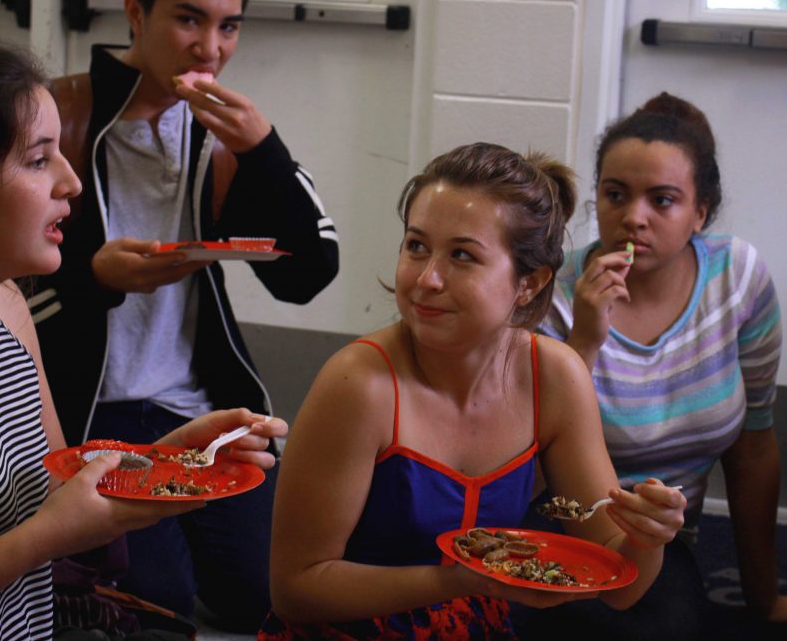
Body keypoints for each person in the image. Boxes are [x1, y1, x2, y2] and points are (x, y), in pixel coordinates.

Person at [0, 36, 286, 640]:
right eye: (38, 159)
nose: (70, 182)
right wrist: (43, 540)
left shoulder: (7, 303)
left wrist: (169, 460)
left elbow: (52, 490)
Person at [28, 0, 338, 628]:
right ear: (136, 14)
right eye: (188, 19)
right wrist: (94, 277)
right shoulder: (61, 116)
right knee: (154, 603)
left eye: (228, 26)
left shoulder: (225, 137)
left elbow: (312, 272)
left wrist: (265, 151)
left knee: (269, 594)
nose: (211, 48)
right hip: (88, 411)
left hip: (198, 406)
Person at [260, 142, 686, 639]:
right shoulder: (359, 383)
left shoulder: (553, 375)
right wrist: (456, 580)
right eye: (416, 246)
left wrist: (647, 536)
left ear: (528, 283)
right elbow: (296, 587)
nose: (427, 278)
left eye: (462, 255)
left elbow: (619, 587)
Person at [528, 92, 784, 638]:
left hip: (662, 540)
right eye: (615, 194)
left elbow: (755, 445)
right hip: (559, 524)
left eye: (662, 200)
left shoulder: (737, 278)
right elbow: (521, 452)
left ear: (701, 213)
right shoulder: (553, 290)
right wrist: (586, 341)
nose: (633, 218)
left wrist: (763, 599)